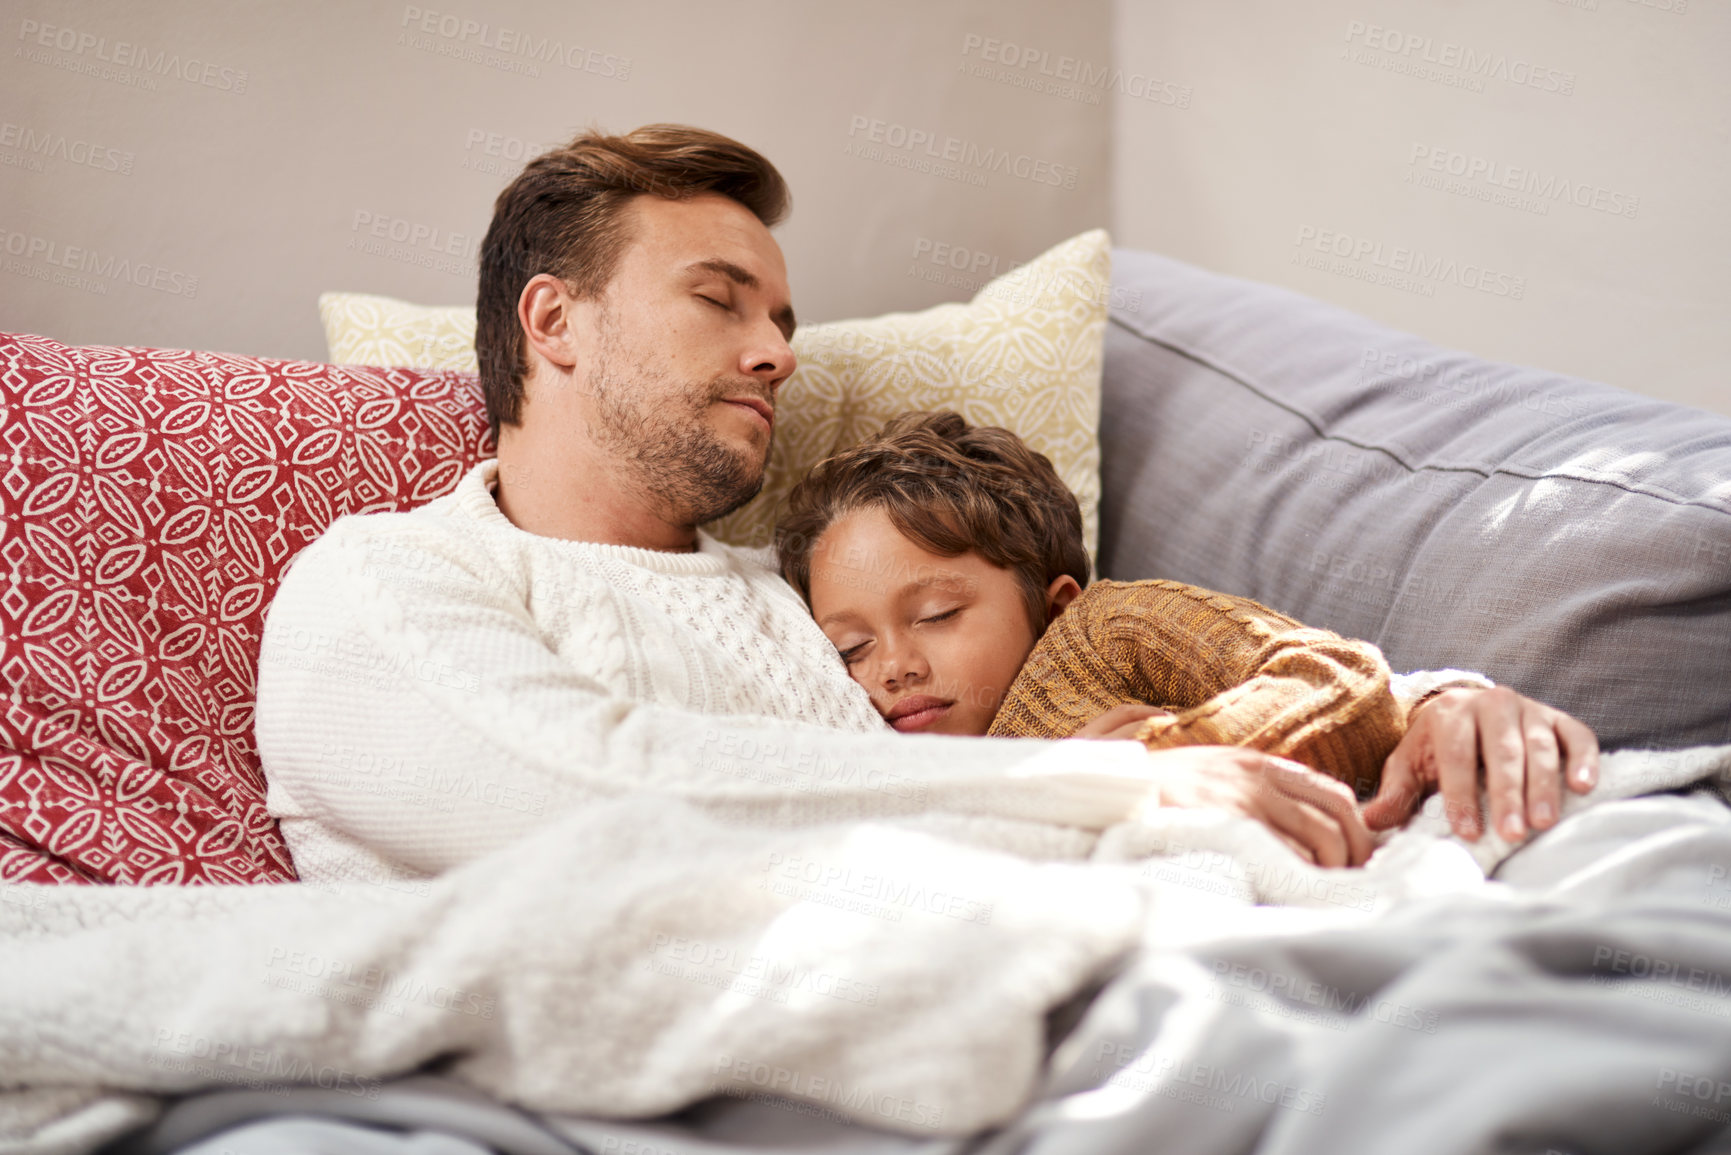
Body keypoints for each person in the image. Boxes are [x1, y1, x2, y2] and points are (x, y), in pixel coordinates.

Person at [254, 124, 1595, 884]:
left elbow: (1102, 694)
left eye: (782, 317)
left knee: (1614, 846)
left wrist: (1431, 704)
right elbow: (579, 795)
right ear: (553, 320)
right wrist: (1109, 788)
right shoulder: (380, 579)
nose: (777, 349)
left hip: (1095, 927)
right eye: (718, 299)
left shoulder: (799, 608)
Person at [775, 410, 1600, 862]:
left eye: (936, 615)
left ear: (1053, 603)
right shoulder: (877, 758)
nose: (892, 666)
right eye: (848, 649)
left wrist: (1156, 755)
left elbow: (1337, 679)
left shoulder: (1102, 629)